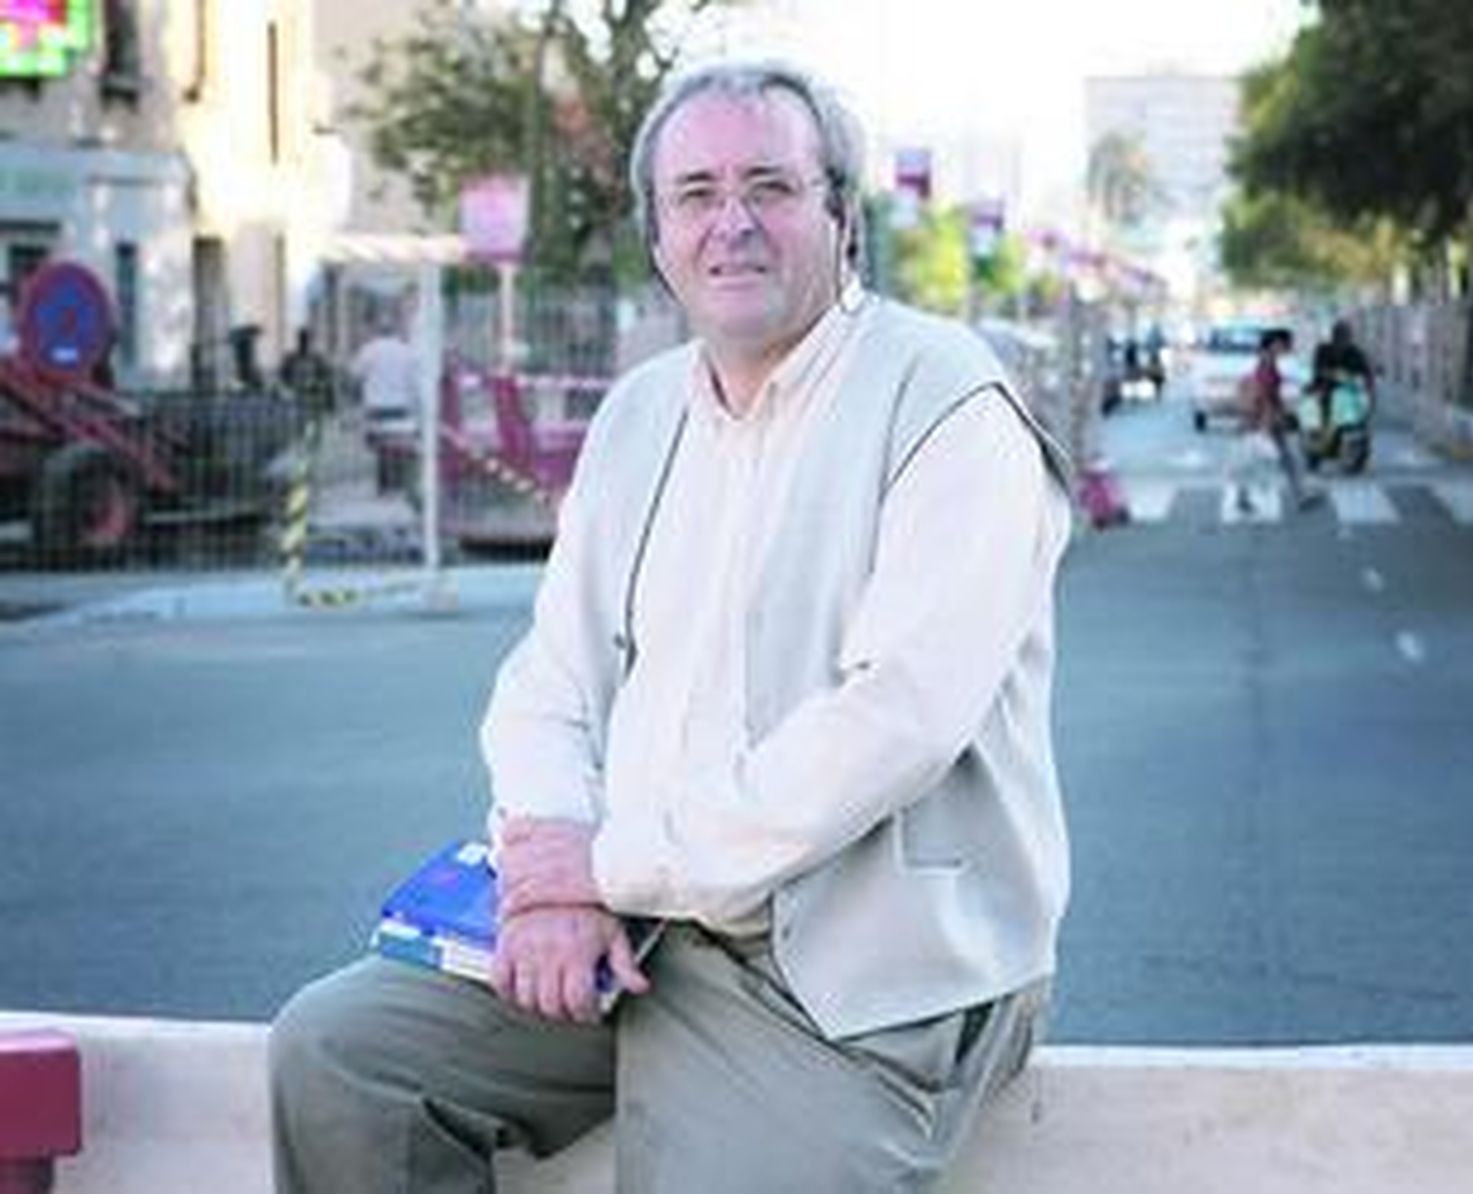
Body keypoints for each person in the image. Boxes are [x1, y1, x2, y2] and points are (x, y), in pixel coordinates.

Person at [269, 59, 1074, 1194]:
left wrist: (606, 863)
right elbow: (551, 680)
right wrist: (555, 877)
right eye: (695, 195)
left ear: (840, 216)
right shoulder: (642, 412)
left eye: (770, 187)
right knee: (341, 1058)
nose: (730, 224)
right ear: (656, 236)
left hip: (853, 973)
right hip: (634, 926)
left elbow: (896, 720)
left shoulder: (946, 402)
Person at [1230, 327, 1315, 515]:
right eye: (1285, 344)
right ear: (1275, 343)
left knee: (1280, 458)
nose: (1287, 348)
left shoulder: (1268, 360)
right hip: (1265, 417)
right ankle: (1299, 495)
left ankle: (1300, 495)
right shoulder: (1267, 361)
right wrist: (1269, 419)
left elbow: (1270, 387)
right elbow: (1265, 392)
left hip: (1266, 416)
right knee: (1262, 459)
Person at [348, 318, 420, 492]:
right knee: (400, 444)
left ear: (377, 331)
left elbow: (355, 373)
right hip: (400, 405)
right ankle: (399, 481)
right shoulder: (406, 350)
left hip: (376, 405)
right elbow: (414, 377)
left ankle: (384, 482)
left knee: (381, 446)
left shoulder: (369, 350)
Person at [1309, 318, 1375, 444]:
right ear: (1333, 336)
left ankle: (1358, 437)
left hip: (1348, 390)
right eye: (1339, 335)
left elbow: (1367, 372)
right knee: (1322, 404)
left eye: (1346, 336)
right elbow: (1318, 368)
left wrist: (1370, 390)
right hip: (1324, 387)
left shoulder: (1356, 352)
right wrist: (1330, 374)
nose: (1343, 339)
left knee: (1360, 410)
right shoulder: (1323, 350)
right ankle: (1319, 438)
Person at [279, 326, 336, 417]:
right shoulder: (292, 359)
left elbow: (326, 381)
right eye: (303, 339)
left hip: (311, 398)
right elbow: (283, 378)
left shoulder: (315, 359)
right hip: (298, 398)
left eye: (305, 339)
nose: (304, 342)